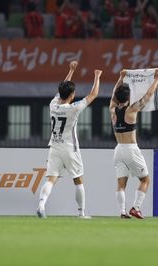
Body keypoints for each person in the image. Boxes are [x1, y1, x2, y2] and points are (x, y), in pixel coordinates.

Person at [37, 61, 102, 219]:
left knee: (51, 179)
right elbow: (93, 95)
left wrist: (71, 70)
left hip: (54, 147)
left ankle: (41, 204)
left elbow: (62, 88)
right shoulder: (74, 108)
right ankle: (81, 213)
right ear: (72, 95)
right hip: (70, 148)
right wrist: (97, 77)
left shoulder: (53, 104)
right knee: (78, 180)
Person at [109, 68, 158, 219]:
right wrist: (156, 79)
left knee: (121, 184)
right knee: (145, 180)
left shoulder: (112, 110)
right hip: (131, 149)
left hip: (118, 150)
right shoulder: (131, 110)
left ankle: (122, 212)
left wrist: (120, 78)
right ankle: (136, 208)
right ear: (129, 97)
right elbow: (148, 95)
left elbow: (113, 96)